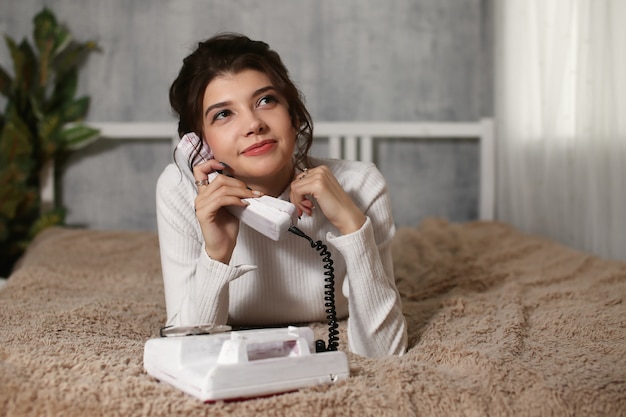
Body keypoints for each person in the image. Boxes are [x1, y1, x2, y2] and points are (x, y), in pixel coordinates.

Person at [156, 33, 407, 357]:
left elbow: (384, 353)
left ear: (294, 114)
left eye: (265, 101)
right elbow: (186, 352)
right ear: (201, 145)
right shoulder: (179, 191)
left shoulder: (361, 184)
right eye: (223, 114)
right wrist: (217, 252)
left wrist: (352, 225)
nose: (253, 124)